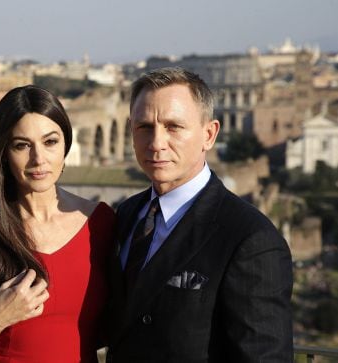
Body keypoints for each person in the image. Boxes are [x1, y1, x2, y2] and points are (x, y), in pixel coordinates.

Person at [106, 67, 293, 362]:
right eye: (144, 127)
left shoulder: (250, 239)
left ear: (209, 134)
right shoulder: (128, 215)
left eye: (173, 127)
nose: (156, 143)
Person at [0, 85, 115, 363]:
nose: (38, 159)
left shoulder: (100, 222)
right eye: (22, 145)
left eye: (50, 142)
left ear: (66, 144)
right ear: (4, 153)